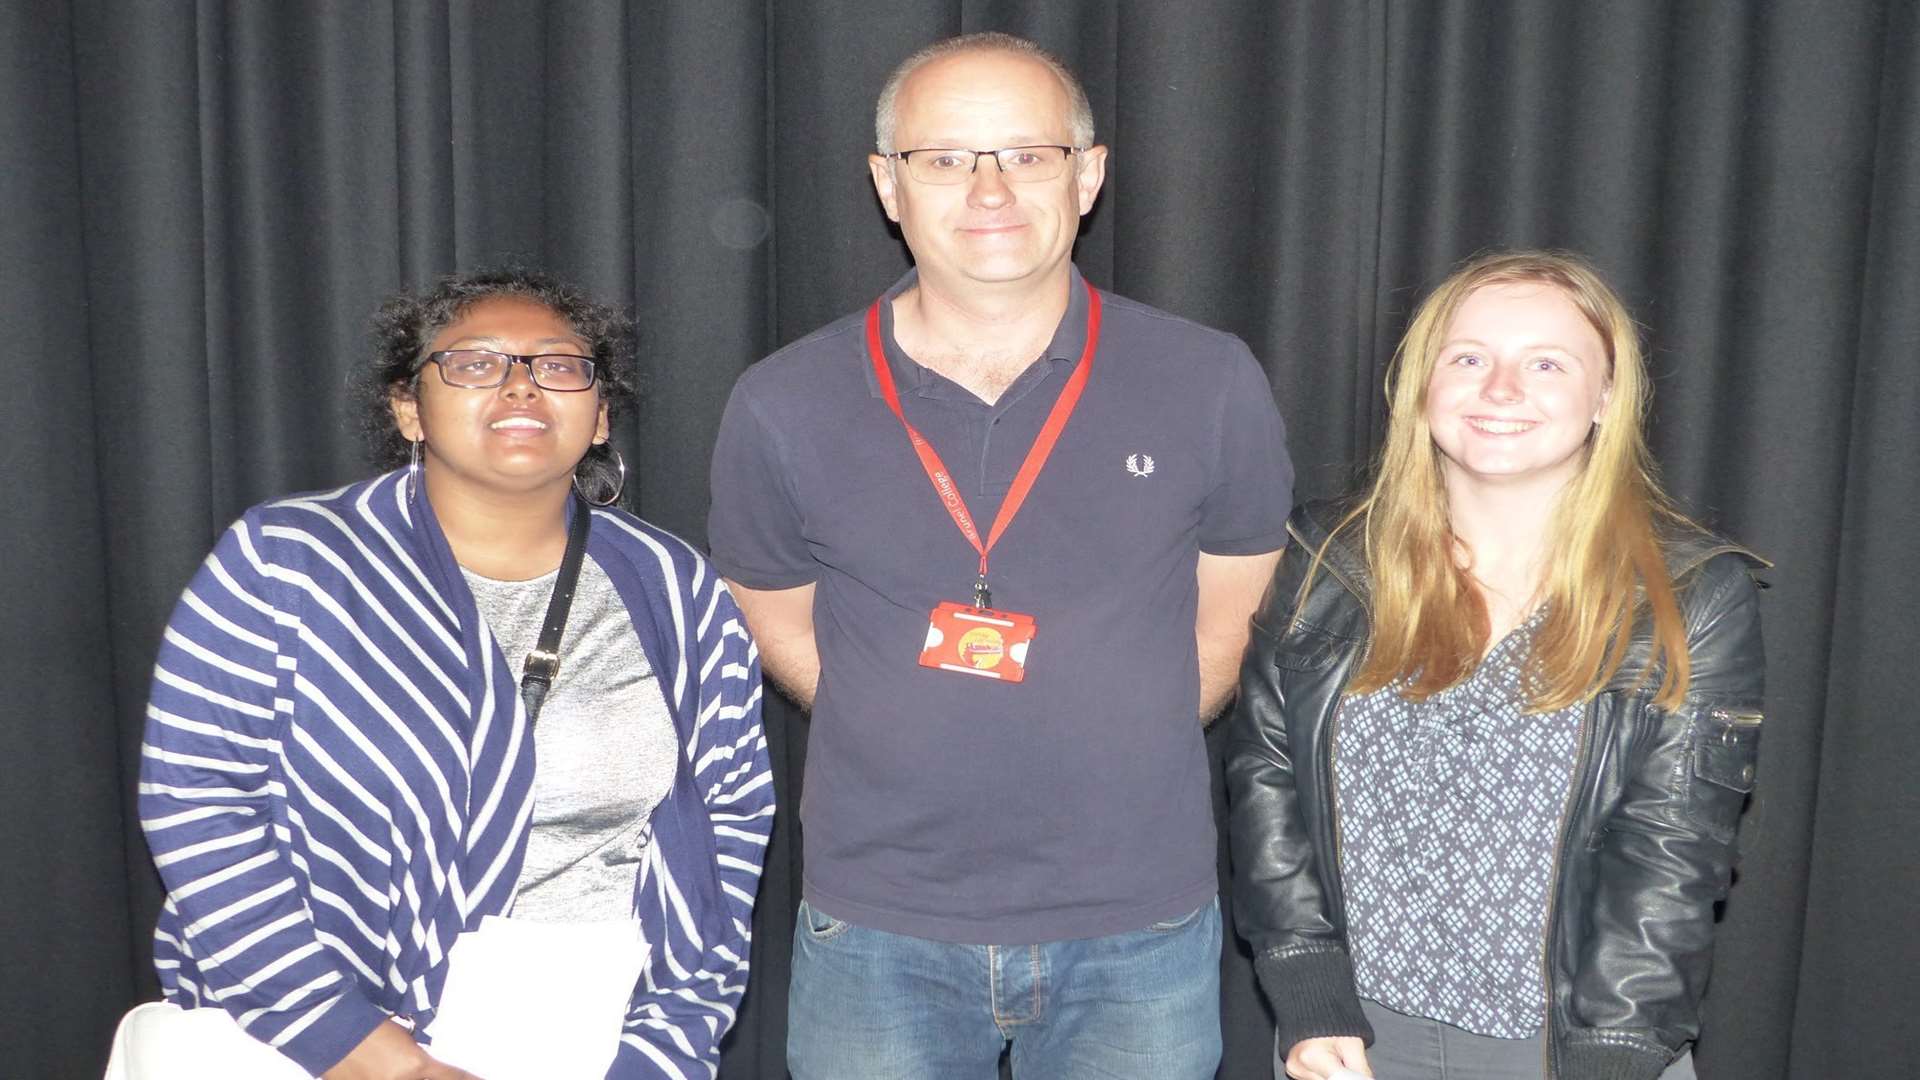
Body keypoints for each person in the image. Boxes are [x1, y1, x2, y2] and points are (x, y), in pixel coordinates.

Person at [707, 31, 1293, 1080]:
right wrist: (897, 720)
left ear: (1089, 174)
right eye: (945, 159)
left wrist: (1126, 722)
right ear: (889, 185)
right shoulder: (783, 400)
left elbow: (1234, 610)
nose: (988, 188)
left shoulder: (1208, 380)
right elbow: (771, 608)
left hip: (1139, 923)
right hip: (878, 925)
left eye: (1026, 154)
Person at [122, 268, 772, 1080]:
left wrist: (664, 1046)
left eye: (558, 365)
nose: (521, 387)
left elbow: (731, 824)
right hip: (312, 1030)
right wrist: (374, 1057)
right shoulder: (288, 562)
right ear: (408, 408)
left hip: (590, 1022)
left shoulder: (674, 588)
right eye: (473, 363)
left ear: (600, 415)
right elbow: (199, 802)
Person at [1226, 250, 1765, 1080]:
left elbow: (1670, 854)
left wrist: (1612, 1058)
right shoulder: (1330, 558)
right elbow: (1267, 777)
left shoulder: (1689, 594)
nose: (1501, 389)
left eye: (1546, 363)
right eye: (1469, 357)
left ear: (1607, 398)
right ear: (1422, 384)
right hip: (1351, 1041)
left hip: (1574, 1050)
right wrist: (1305, 988)